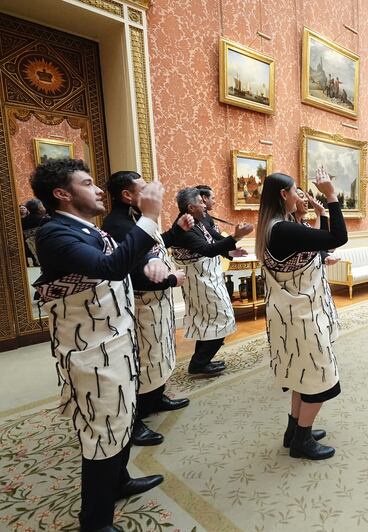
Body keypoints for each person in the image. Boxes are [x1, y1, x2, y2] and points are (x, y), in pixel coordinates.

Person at [30, 159, 165, 531]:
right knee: (102, 431)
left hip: (115, 344)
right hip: (90, 354)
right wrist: (149, 218)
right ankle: (95, 521)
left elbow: (124, 257)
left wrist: (153, 261)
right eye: (88, 183)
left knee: (121, 418)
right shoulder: (55, 234)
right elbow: (108, 268)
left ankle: (118, 482)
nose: (98, 189)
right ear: (62, 194)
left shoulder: (89, 229)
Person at [256, 168, 348, 460]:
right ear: (284, 195)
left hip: (290, 315)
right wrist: (332, 196)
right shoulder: (283, 229)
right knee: (322, 381)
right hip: (301, 318)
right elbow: (338, 238)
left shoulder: (274, 226)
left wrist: (320, 214)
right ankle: (302, 441)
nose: (299, 195)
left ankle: (294, 431)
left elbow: (316, 244)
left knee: (301, 375)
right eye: (296, 191)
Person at [101, 171, 192, 447]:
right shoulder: (117, 224)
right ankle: (136, 418)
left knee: (160, 351)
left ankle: (155, 398)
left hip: (157, 302)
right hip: (143, 301)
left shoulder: (135, 217)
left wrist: (177, 232)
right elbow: (133, 268)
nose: (151, 192)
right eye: (143, 188)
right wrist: (170, 278)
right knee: (144, 359)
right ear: (127, 195)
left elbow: (153, 245)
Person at [169, 187, 252, 375]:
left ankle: (200, 362)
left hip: (206, 277)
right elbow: (207, 249)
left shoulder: (198, 221)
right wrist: (237, 236)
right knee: (222, 317)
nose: (205, 206)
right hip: (200, 280)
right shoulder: (185, 227)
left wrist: (231, 251)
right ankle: (199, 362)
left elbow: (213, 242)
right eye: (201, 202)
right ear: (191, 207)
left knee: (208, 320)